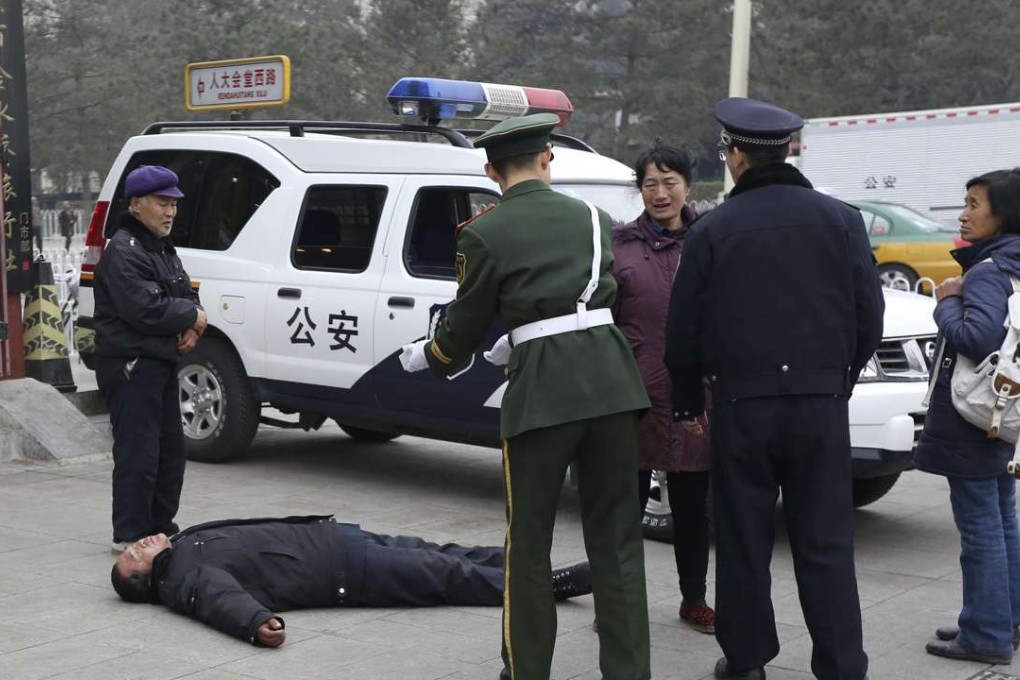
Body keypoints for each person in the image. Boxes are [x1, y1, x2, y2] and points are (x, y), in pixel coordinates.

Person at [399, 113, 651, 680]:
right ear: (547, 158)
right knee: (617, 543)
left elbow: (463, 328)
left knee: (529, 546)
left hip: (545, 394)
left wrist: (432, 356)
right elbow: (589, 299)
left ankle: (528, 669)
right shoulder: (594, 217)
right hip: (612, 383)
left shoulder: (482, 232)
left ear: (491, 171)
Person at [665, 97, 884, 680]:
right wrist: (836, 381)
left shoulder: (712, 229)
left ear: (735, 156)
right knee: (826, 541)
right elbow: (869, 317)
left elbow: (683, 328)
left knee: (742, 541)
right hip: (819, 405)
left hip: (742, 405)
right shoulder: (842, 219)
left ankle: (747, 660)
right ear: (787, 151)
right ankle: (841, 665)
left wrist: (688, 403)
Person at [110, 514, 594, 647]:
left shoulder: (183, 547)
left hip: (336, 541)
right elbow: (219, 599)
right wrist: (256, 623)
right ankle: (543, 586)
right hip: (344, 572)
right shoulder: (185, 581)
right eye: (136, 554)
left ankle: (523, 561)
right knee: (445, 575)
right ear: (145, 581)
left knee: (441, 552)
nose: (141, 543)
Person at [914, 169, 1020, 666]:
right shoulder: (1013, 264)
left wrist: (946, 302)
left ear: (1004, 214)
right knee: (1002, 522)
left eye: (975, 204)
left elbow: (975, 339)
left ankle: (985, 634)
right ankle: (1004, 619)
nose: (964, 213)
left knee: (981, 529)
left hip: (970, 416)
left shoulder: (988, 271)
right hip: (1003, 413)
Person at [611, 141, 714, 634]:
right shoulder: (619, 247)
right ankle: (619, 600)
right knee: (623, 507)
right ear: (640, 189)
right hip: (634, 394)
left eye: (669, 181)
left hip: (696, 397)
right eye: (650, 183)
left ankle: (694, 598)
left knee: (693, 507)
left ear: (688, 186)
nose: (660, 192)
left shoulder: (709, 239)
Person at [94, 165, 207, 554]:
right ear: (137, 205)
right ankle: (131, 533)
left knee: (170, 451)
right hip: (131, 363)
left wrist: (195, 319)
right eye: (162, 203)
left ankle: (161, 528)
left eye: (174, 204)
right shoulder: (124, 249)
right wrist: (191, 316)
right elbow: (145, 308)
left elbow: (185, 292)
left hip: (159, 361)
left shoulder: (162, 248)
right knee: (138, 452)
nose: (170, 212)